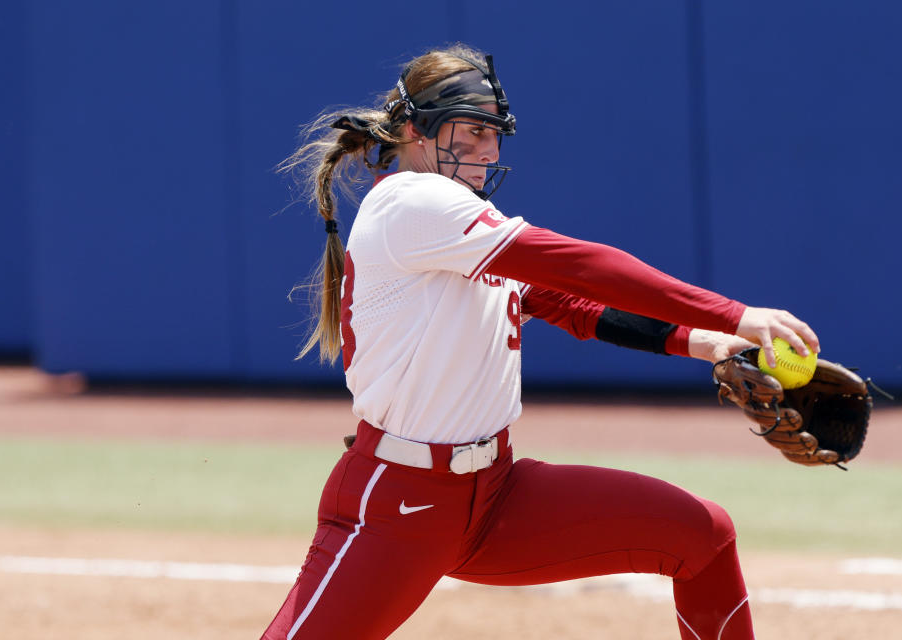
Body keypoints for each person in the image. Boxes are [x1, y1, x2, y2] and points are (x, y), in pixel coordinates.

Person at [262, 44, 819, 640]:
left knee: (703, 538)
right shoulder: (412, 201)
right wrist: (735, 314)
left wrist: (708, 343)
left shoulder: (462, 225)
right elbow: (580, 269)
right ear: (413, 131)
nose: (488, 148)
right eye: (470, 129)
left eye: (494, 133)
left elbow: (570, 305)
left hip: (499, 497)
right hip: (400, 505)